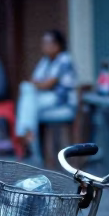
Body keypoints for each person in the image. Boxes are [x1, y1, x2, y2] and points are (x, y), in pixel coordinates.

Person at [27, 30, 77, 166]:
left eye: (48, 43)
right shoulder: (45, 61)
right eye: (43, 43)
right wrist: (39, 84)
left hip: (63, 103)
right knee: (28, 100)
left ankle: (28, 141)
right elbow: (34, 81)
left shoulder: (64, 59)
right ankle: (32, 145)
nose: (44, 46)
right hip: (49, 101)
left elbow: (47, 83)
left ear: (58, 45)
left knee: (29, 103)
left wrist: (39, 84)